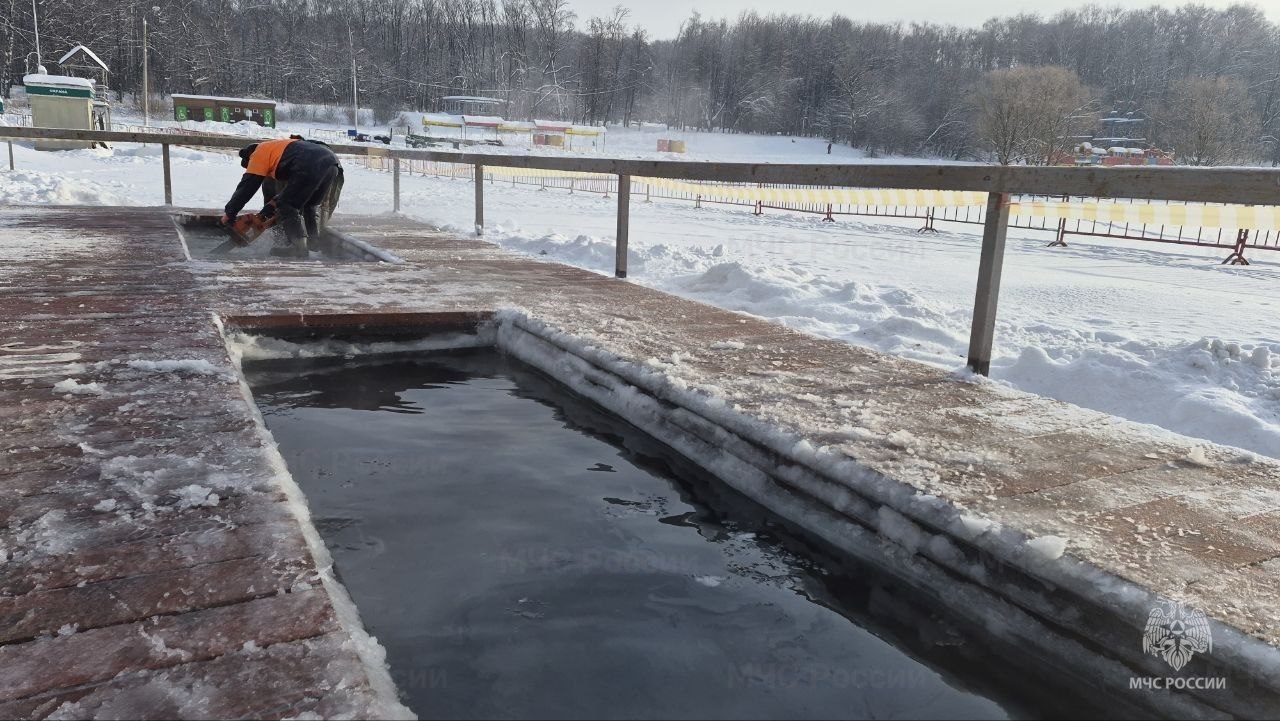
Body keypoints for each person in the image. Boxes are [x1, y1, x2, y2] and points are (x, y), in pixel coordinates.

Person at [220, 137, 343, 256]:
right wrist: (267, 210)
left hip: (310, 163)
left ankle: (298, 247)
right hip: (331, 164)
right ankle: (314, 245)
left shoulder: (258, 154)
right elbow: (291, 190)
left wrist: (230, 213)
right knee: (309, 206)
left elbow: (247, 186)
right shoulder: (277, 150)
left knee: (287, 205)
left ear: (249, 157)